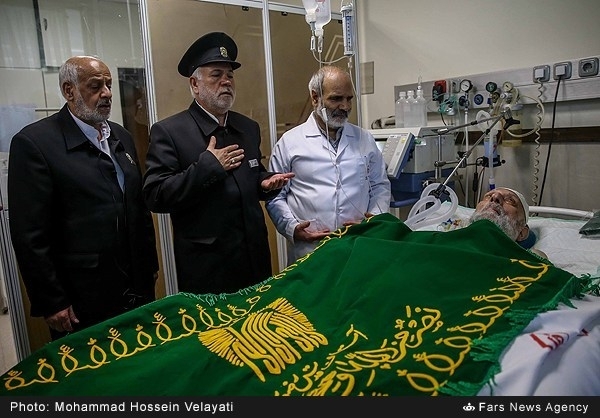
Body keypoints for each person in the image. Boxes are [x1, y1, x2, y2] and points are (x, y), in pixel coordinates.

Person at [8, 56, 159, 340]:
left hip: (136, 288)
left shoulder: (121, 136)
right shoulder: (35, 144)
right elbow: (30, 235)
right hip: (83, 297)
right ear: (69, 90)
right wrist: (52, 300)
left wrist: (150, 267)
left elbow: (138, 209)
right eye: (96, 86)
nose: (107, 93)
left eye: (109, 85)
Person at [142, 32, 293, 295]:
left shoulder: (247, 128)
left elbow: (250, 175)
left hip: (254, 258)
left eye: (230, 75)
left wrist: (264, 182)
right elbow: (156, 195)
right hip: (208, 267)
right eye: (216, 75)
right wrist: (208, 167)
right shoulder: (170, 132)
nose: (226, 81)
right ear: (195, 84)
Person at [266, 65, 391, 265]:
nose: (345, 106)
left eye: (349, 98)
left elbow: (379, 186)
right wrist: (292, 227)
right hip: (310, 251)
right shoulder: (289, 143)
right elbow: (275, 197)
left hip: (358, 243)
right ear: (315, 98)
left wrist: (374, 219)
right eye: (336, 98)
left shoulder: (364, 139)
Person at [469, 187, 548, 259]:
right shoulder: (460, 232)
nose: (495, 197)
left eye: (510, 200)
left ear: (521, 233)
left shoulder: (528, 261)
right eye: (488, 196)